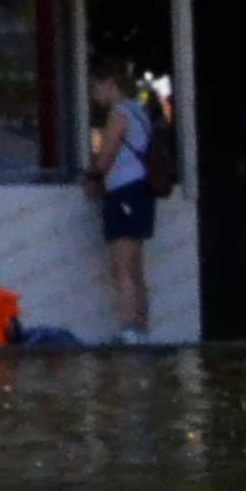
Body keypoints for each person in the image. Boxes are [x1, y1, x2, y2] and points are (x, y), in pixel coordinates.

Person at [87, 66, 160, 336]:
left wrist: (93, 177)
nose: (93, 95)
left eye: (96, 87)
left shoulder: (120, 114)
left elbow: (105, 155)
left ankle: (129, 329)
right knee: (136, 267)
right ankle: (141, 329)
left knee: (123, 267)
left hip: (123, 192)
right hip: (141, 193)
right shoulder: (140, 112)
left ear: (110, 83)